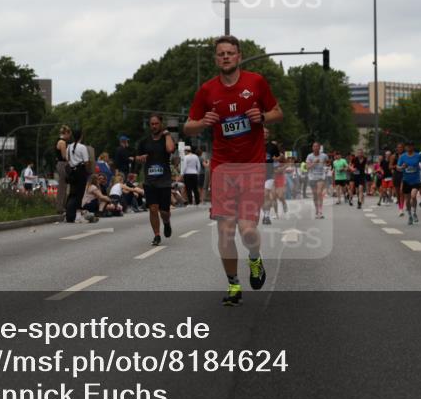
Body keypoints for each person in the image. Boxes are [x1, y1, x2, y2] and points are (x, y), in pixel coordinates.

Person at [183, 34, 282, 306]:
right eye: (220, 54)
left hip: (251, 166)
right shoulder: (207, 90)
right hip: (223, 169)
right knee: (225, 231)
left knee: (247, 230)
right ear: (216, 59)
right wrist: (203, 122)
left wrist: (261, 117)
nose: (225, 57)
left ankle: (255, 259)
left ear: (238, 56)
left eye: (230, 53)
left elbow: (277, 112)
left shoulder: (256, 82)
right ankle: (233, 284)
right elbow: (188, 126)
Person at [136, 114, 176, 246]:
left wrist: (168, 134)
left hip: (164, 180)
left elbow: (170, 149)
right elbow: (137, 156)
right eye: (152, 124)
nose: (154, 126)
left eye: (156, 123)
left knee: (164, 211)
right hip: (150, 180)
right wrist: (140, 158)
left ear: (161, 124)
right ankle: (157, 235)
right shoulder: (144, 141)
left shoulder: (166, 138)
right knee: (153, 208)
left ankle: (166, 222)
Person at [65, 128, 95, 223]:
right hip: (80, 171)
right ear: (81, 136)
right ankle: (78, 215)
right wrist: (89, 171)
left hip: (72, 172)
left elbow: (67, 160)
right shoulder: (82, 147)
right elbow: (86, 162)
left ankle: (69, 214)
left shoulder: (68, 147)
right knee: (80, 194)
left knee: (72, 193)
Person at [397, 140, 421, 224]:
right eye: (407, 146)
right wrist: (402, 167)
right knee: (407, 200)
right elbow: (398, 167)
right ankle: (409, 215)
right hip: (406, 180)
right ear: (406, 147)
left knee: (413, 196)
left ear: (413, 147)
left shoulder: (418, 156)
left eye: (410, 145)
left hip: (416, 180)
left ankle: (414, 212)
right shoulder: (403, 157)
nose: (409, 147)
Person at [305, 142, 329, 219]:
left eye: (317, 146)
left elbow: (328, 162)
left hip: (321, 176)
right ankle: (316, 210)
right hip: (312, 177)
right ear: (312, 148)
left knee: (319, 193)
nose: (315, 148)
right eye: (314, 146)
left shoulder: (324, 155)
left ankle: (320, 211)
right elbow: (307, 167)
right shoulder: (309, 156)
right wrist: (314, 163)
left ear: (319, 148)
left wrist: (326, 166)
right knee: (315, 195)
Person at [55, 126, 71, 214]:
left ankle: (62, 206)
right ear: (66, 133)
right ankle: (60, 207)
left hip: (60, 164)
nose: (69, 137)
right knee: (62, 186)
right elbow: (65, 156)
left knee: (63, 186)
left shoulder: (58, 141)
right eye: (69, 135)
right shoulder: (62, 142)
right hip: (62, 164)